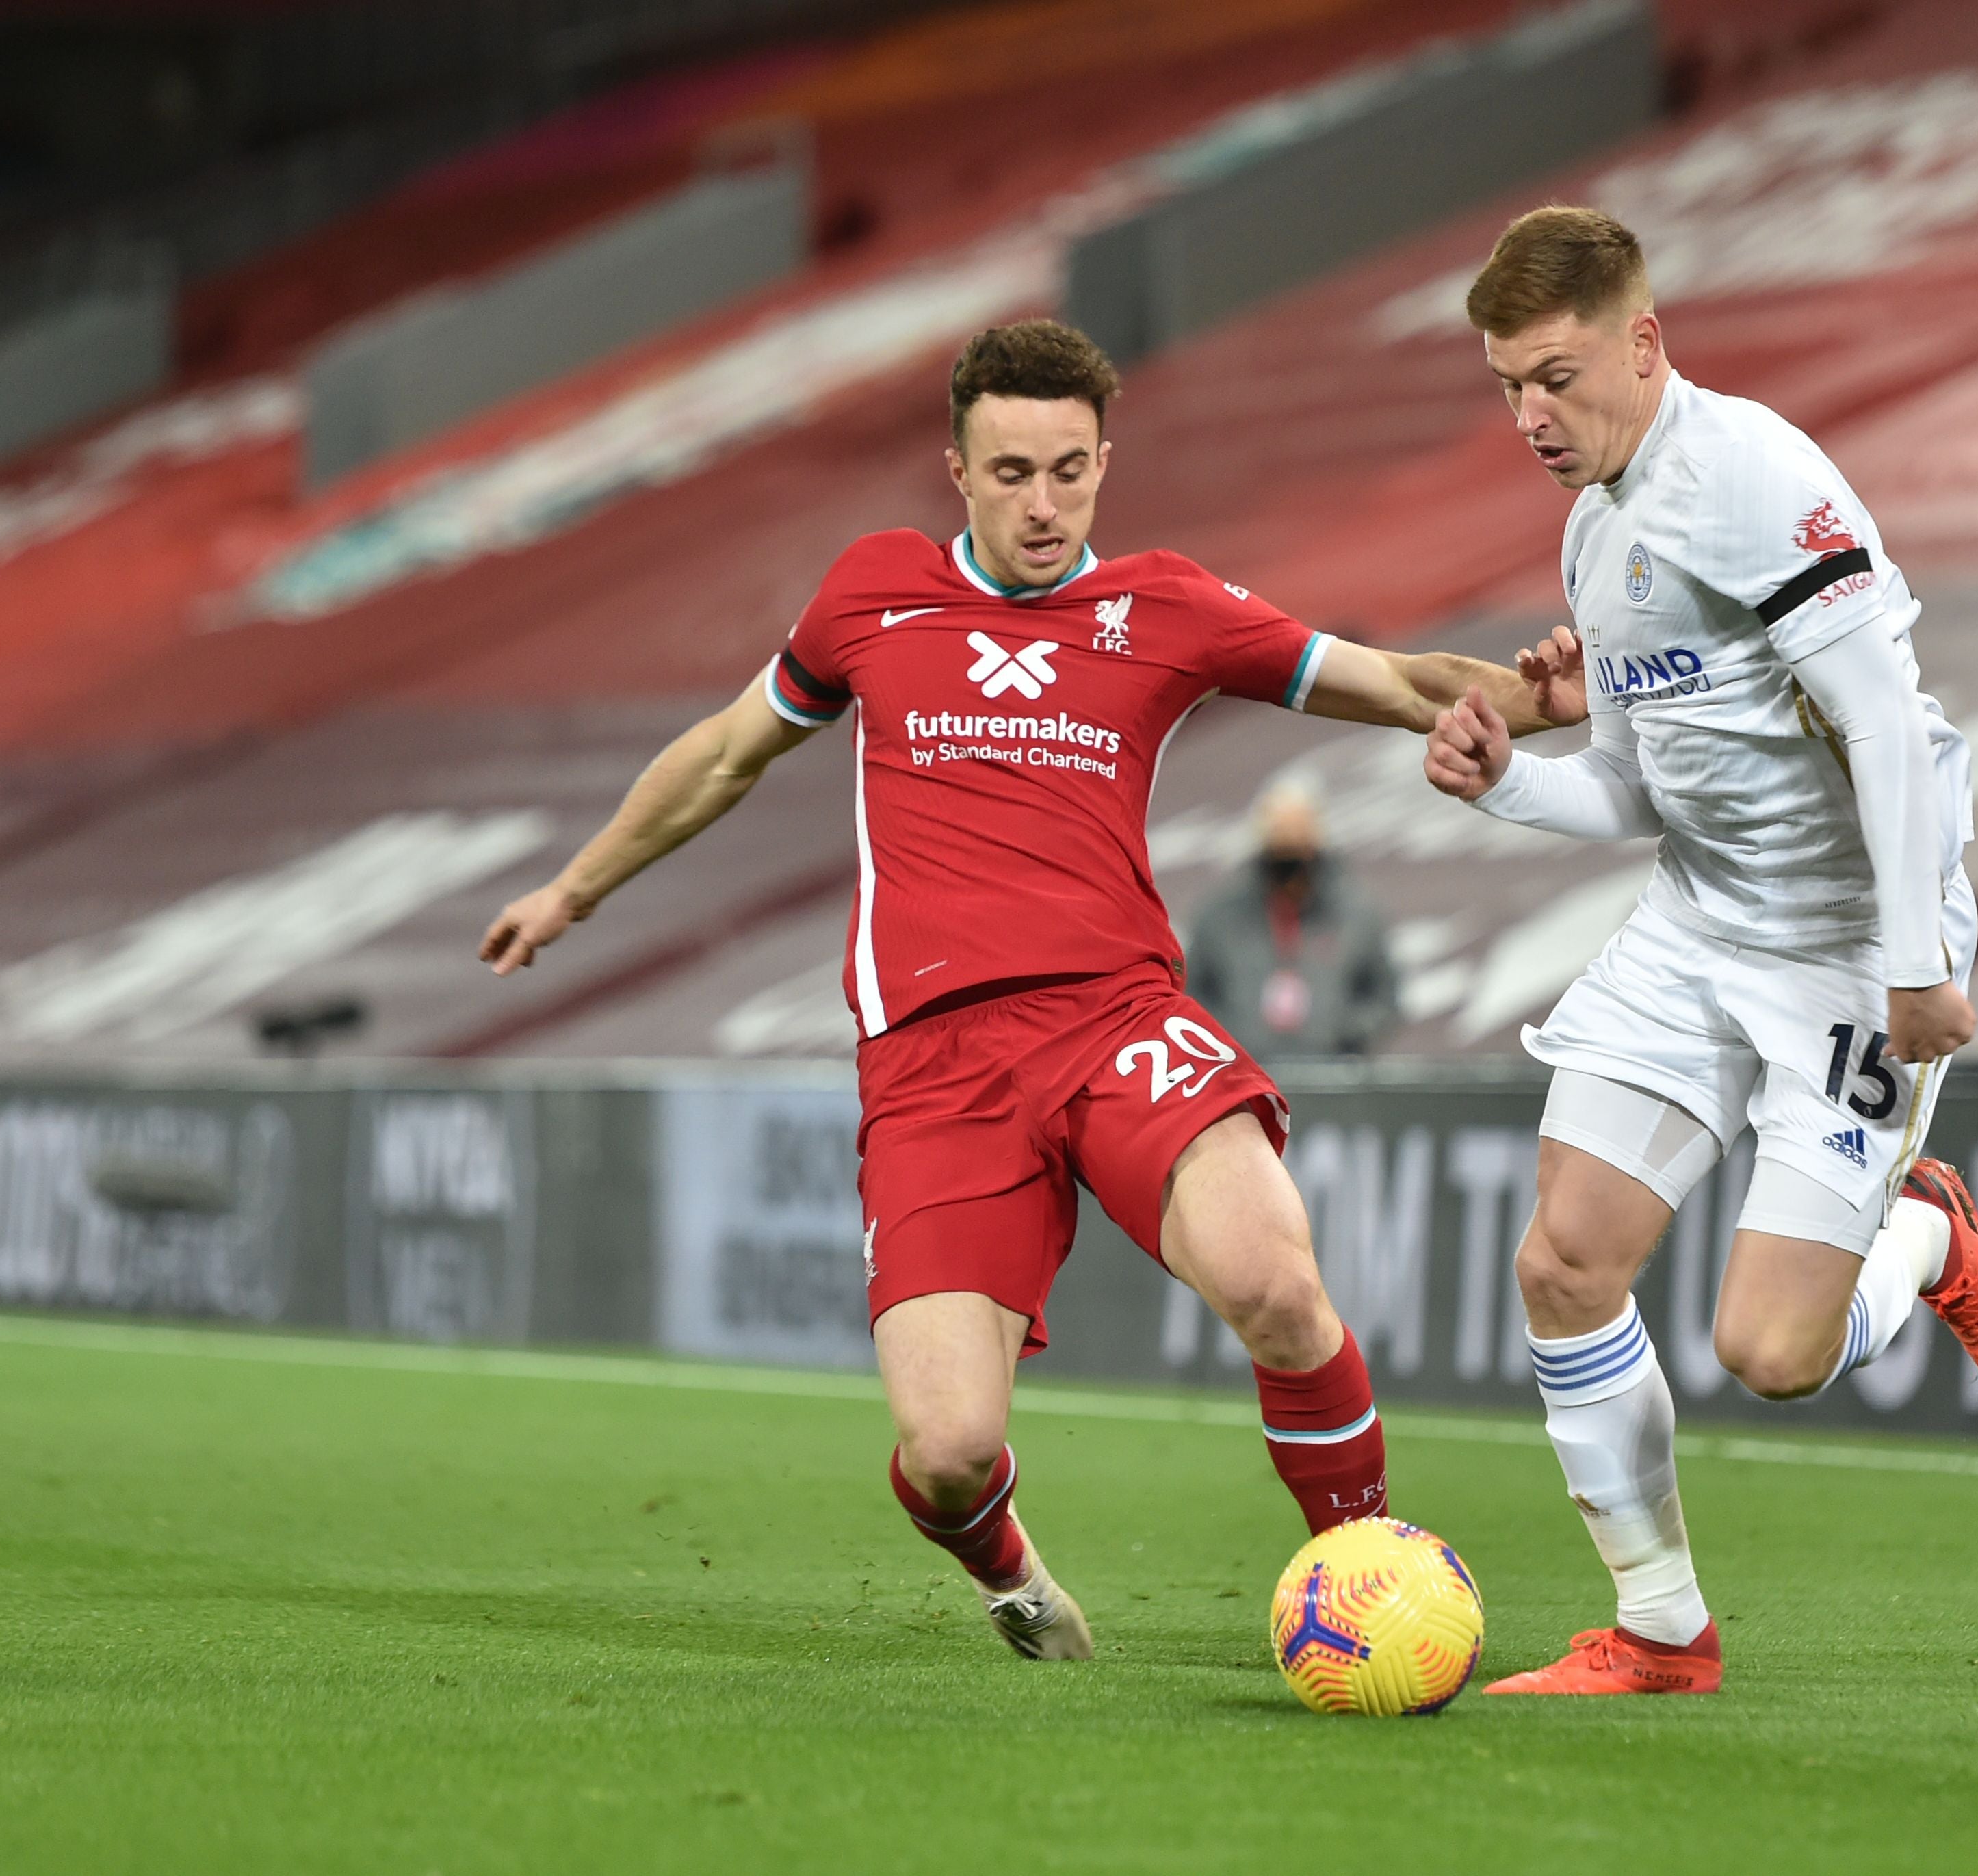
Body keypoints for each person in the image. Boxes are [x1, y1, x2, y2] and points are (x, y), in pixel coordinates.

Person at [480, 319, 1559, 1663]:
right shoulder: (872, 594)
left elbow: (1397, 681)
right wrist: (574, 891)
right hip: (932, 1065)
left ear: (1103, 463)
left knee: (1275, 1283)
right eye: (1009, 473)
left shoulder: (1162, 607)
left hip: (1115, 1018)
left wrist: (1537, 701)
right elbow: (724, 754)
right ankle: (1010, 1577)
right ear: (955, 468)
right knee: (944, 1451)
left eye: (1066, 470)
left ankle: (1367, 1575)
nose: (1041, 504)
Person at [1421, 208, 1978, 1697]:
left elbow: (1885, 725)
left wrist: (1909, 958)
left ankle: (1925, 1239)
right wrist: (1505, 776)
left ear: (1642, 343)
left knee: (1771, 1351)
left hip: (1845, 947)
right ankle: (1657, 1629)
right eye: (1507, 385)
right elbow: (1638, 791)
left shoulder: (1756, 477)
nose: (1529, 417)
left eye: (1554, 377)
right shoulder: (1594, 532)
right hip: (1701, 921)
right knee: (1563, 1262)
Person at [1183, 779, 1400, 1061]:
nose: (1289, 855)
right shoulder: (1220, 916)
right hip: (1242, 1076)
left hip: (1330, 1076)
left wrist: (1345, 1034)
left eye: (1298, 839)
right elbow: (1193, 994)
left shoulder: (1355, 914)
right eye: (1281, 839)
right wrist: (1227, 1038)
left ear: (1317, 841)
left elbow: (1383, 997)